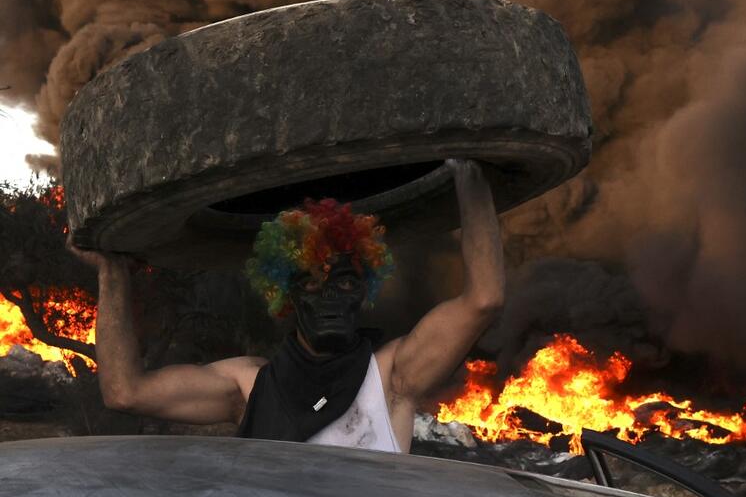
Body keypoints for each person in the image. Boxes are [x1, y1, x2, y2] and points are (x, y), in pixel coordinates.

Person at [69, 158, 504, 453]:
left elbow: (484, 299)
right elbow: (125, 391)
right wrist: (111, 273)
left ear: (364, 291)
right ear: (288, 295)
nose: (331, 294)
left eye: (346, 281)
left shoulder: (392, 376)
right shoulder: (249, 385)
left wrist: (468, 173)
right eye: (313, 281)